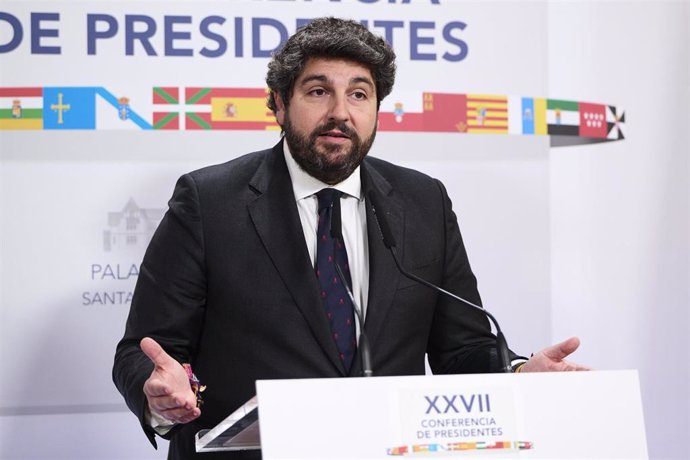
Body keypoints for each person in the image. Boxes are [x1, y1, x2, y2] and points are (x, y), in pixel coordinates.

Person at [113, 17, 588, 460]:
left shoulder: (423, 201)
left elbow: (460, 348)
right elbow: (143, 351)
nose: (340, 112)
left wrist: (519, 374)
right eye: (318, 91)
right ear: (278, 104)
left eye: (359, 95)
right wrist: (161, 397)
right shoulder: (209, 201)